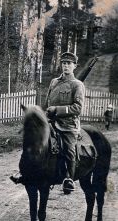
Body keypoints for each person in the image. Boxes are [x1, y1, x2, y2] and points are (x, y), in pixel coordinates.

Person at [11, 52, 85, 193]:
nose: (66, 66)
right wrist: (44, 115)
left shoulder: (78, 85)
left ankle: (68, 178)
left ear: (75, 66)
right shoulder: (54, 82)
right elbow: (47, 104)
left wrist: (57, 109)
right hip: (50, 122)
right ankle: (24, 171)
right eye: (64, 63)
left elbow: (78, 108)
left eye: (69, 63)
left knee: (69, 149)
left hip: (68, 125)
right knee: (32, 140)